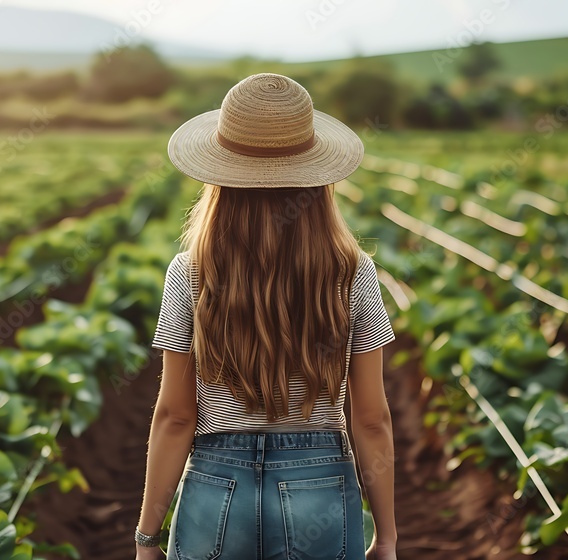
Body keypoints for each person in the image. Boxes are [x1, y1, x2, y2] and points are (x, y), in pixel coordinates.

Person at [134, 73, 398, 560]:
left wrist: (148, 536)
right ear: (317, 180)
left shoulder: (191, 272)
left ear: (220, 178)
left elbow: (175, 417)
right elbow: (371, 418)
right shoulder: (352, 272)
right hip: (319, 483)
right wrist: (387, 536)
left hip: (217, 485)